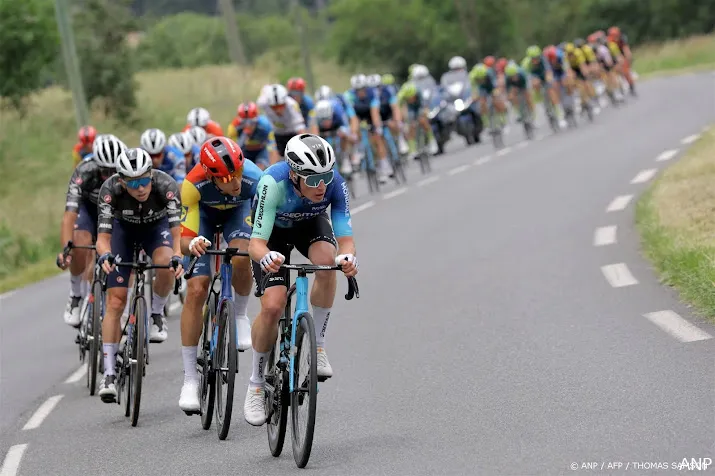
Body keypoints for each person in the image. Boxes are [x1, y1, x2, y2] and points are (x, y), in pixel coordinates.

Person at [243, 133, 358, 426]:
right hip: (273, 235)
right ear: (294, 175)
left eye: (326, 177)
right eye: (312, 180)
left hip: (308, 225)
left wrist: (348, 258)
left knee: (327, 262)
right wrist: (266, 257)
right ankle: (256, 384)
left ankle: (317, 346)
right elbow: (255, 243)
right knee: (272, 305)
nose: (321, 186)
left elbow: (345, 237)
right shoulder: (273, 183)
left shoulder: (334, 184)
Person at [177, 137, 263, 413]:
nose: (235, 182)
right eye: (227, 178)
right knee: (197, 289)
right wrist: (192, 244)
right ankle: (190, 378)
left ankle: (238, 314)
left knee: (241, 255)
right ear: (212, 177)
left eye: (237, 172)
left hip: (238, 214)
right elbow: (182, 240)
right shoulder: (192, 185)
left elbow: (263, 227)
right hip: (202, 216)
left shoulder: (254, 179)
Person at [95, 148, 183, 402]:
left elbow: (177, 234)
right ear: (121, 181)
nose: (141, 188)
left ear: (151, 176)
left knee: (166, 263)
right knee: (115, 301)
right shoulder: (109, 190)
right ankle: (109, 372)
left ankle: (156, 312)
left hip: (156, 229)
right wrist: (104, 255)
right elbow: (103, 239)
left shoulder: (166, 184)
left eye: (144, 180)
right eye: (133, 183)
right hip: (124, 232)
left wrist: (178, 255)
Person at [58, 134, 127, 326]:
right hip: (88, 210)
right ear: (96, 164)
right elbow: (69, 215)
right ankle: (75, 295)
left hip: (116, 211)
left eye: (115, 170)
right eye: (105, 170)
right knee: (79, 244)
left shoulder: (128, 171)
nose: (110, 174)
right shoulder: (84, 171)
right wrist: (66, 249)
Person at [345, 74, 392, 183]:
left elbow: (375, 112)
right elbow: (353, 117)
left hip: (370, 113)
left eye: (362, 89)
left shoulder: (372, 93)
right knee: (354, 130)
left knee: (377, 138)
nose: (360, 92)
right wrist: (354, 133)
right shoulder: (349, 96)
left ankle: (384, 165)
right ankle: (357, 151)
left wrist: (377, 127)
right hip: (358, 114)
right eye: (358, 90)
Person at [257, 84, 308, 158]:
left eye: (281, 106)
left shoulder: (292, 105)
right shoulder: (263, 103)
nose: (278, 110)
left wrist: (306, 145)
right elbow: (264, 89)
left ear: (285, 102)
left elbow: (301, 128)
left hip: (292, 133)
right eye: (274, 107)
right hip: (277, 133)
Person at [230, 102, 279, 170]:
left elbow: (273, 148)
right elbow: (233, 150)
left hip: (261, 150)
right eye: (244, 123)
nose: (248, 125)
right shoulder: (234, 127)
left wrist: (272, 168)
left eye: (251, 122)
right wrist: (244, 135)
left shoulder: (265, 125)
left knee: (260, 168)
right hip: (245, 150)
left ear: (256, 120)